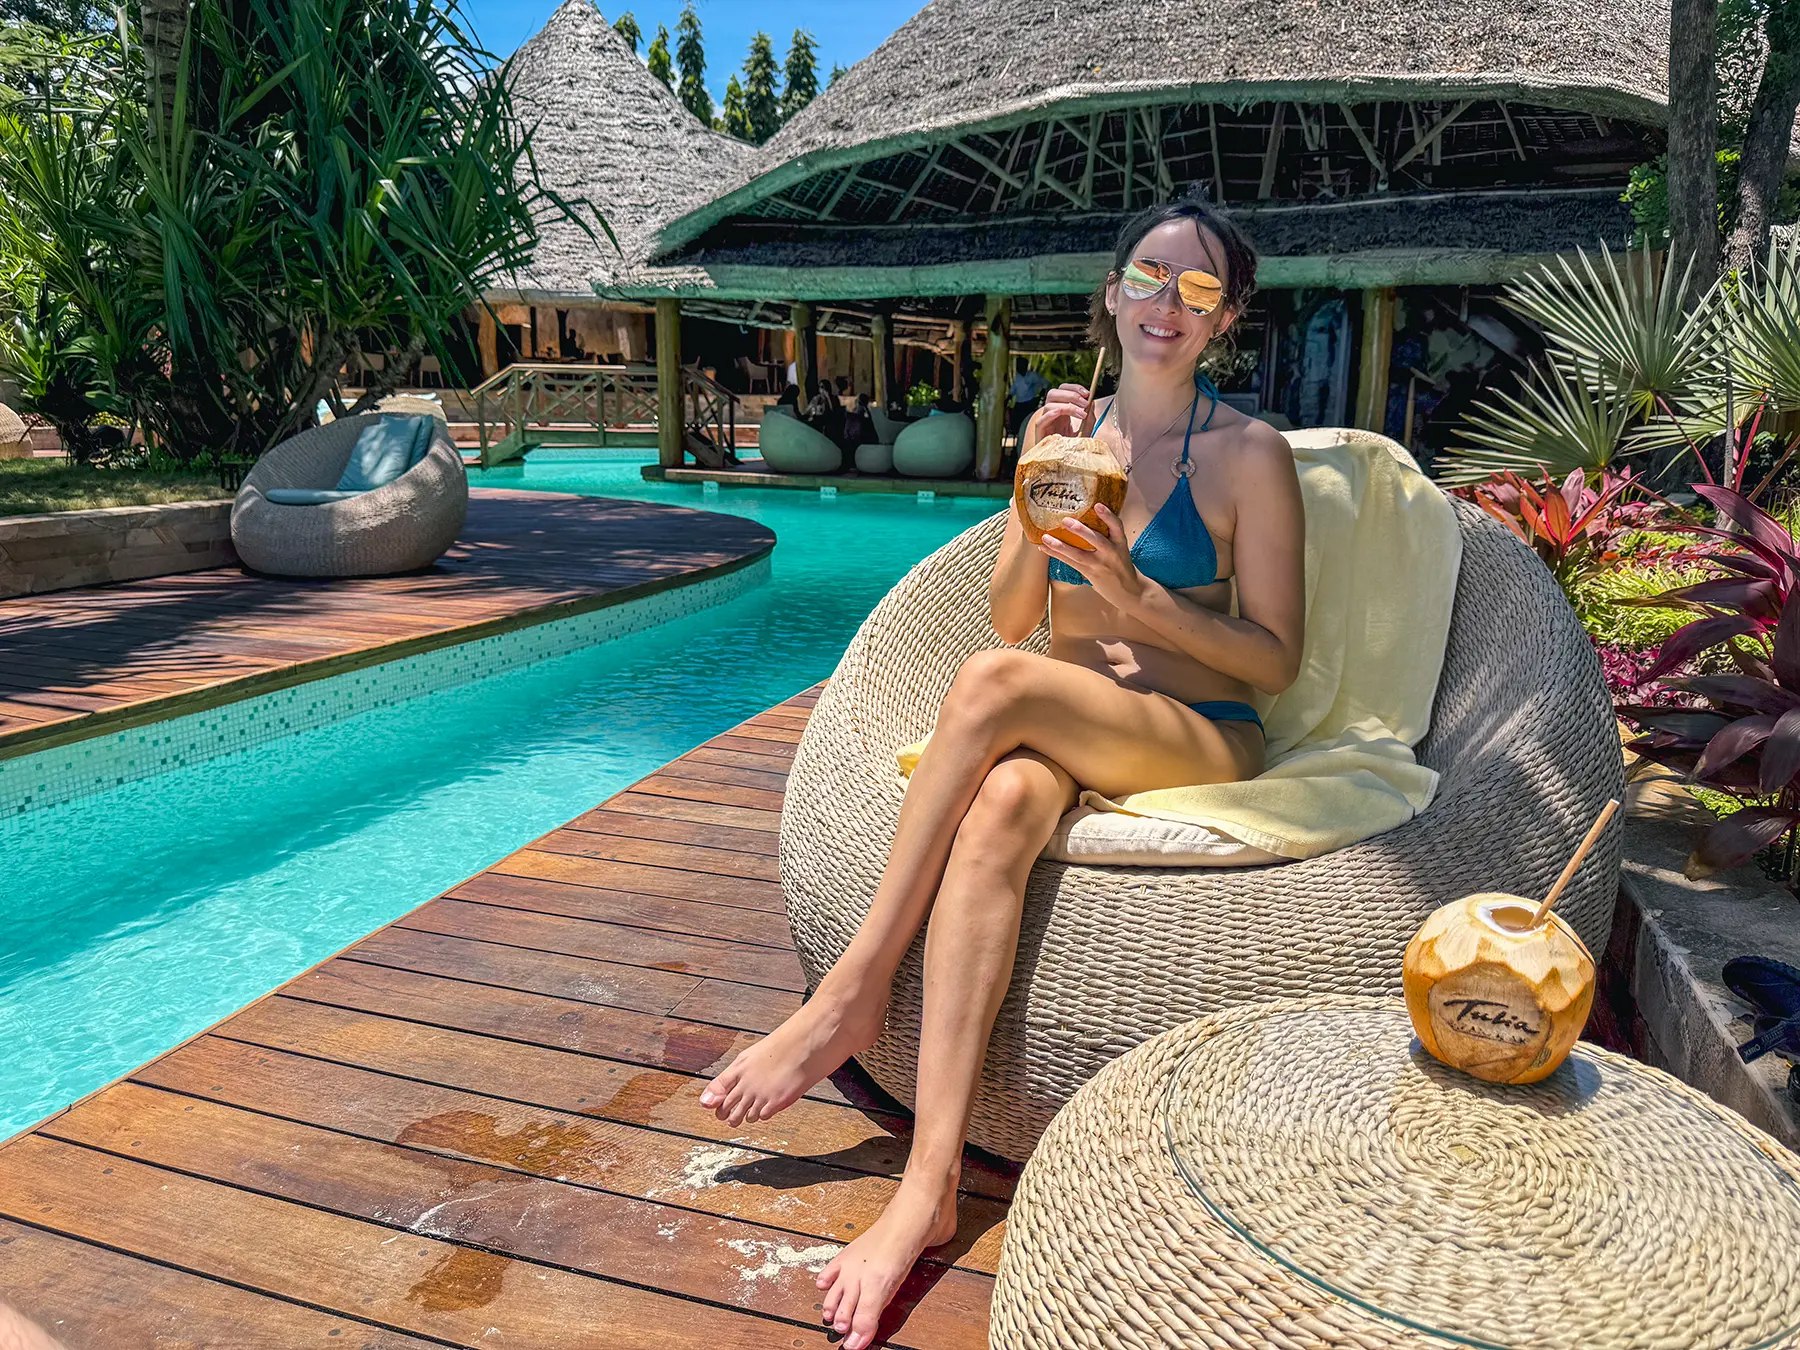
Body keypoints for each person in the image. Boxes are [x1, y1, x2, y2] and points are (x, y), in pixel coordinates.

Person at [700, 197, 1306, 1348]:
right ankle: (929, 1188)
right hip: (1075, 729)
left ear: (1227, 320)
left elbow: (1275, 661)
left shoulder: (1248, 455)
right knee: (1003, 804)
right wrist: (1032, 480)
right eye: (1147, 277)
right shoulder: (1073, 438)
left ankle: (852, 992)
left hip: (1200, 725)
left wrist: (1137, 598)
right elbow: (1017, 609)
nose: (1166, 305)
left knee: (986, 684)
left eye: (1198, 290)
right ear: (1112, 293)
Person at [1008, 358, 1050, 441]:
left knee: (1028, 425)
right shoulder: (1017, 378)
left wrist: (1042, 393)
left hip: (1030, 404)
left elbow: (1046, 383)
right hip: (1019, 405)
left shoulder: (1032, 376)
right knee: (1017, 426)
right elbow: (1012, 392)